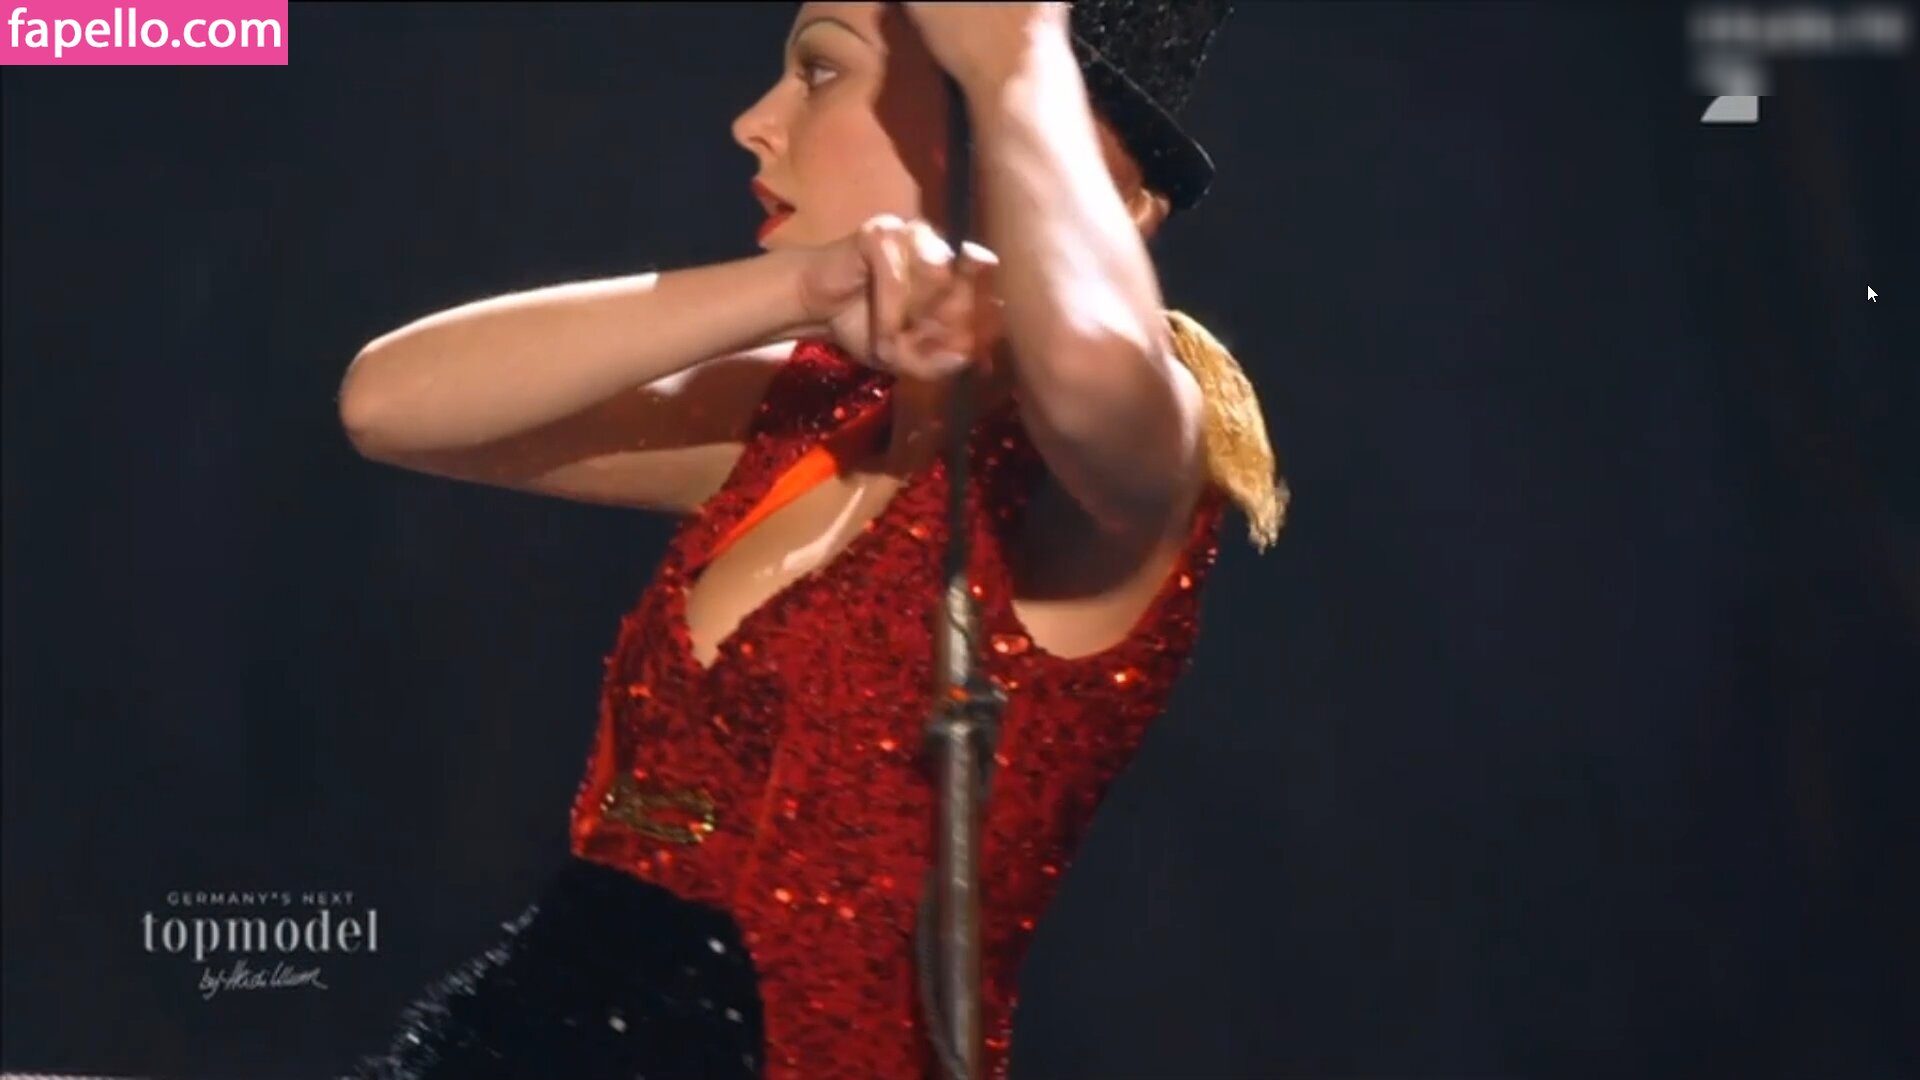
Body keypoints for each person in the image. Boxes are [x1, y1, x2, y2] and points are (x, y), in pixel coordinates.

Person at [335, 2, 1281, 1078]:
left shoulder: (1125, 466)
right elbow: (388, 404)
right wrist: (799, 286)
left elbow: (1090, 367)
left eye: (822, 71)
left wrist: (1017, 59)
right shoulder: (810, 413)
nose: (755, 121)